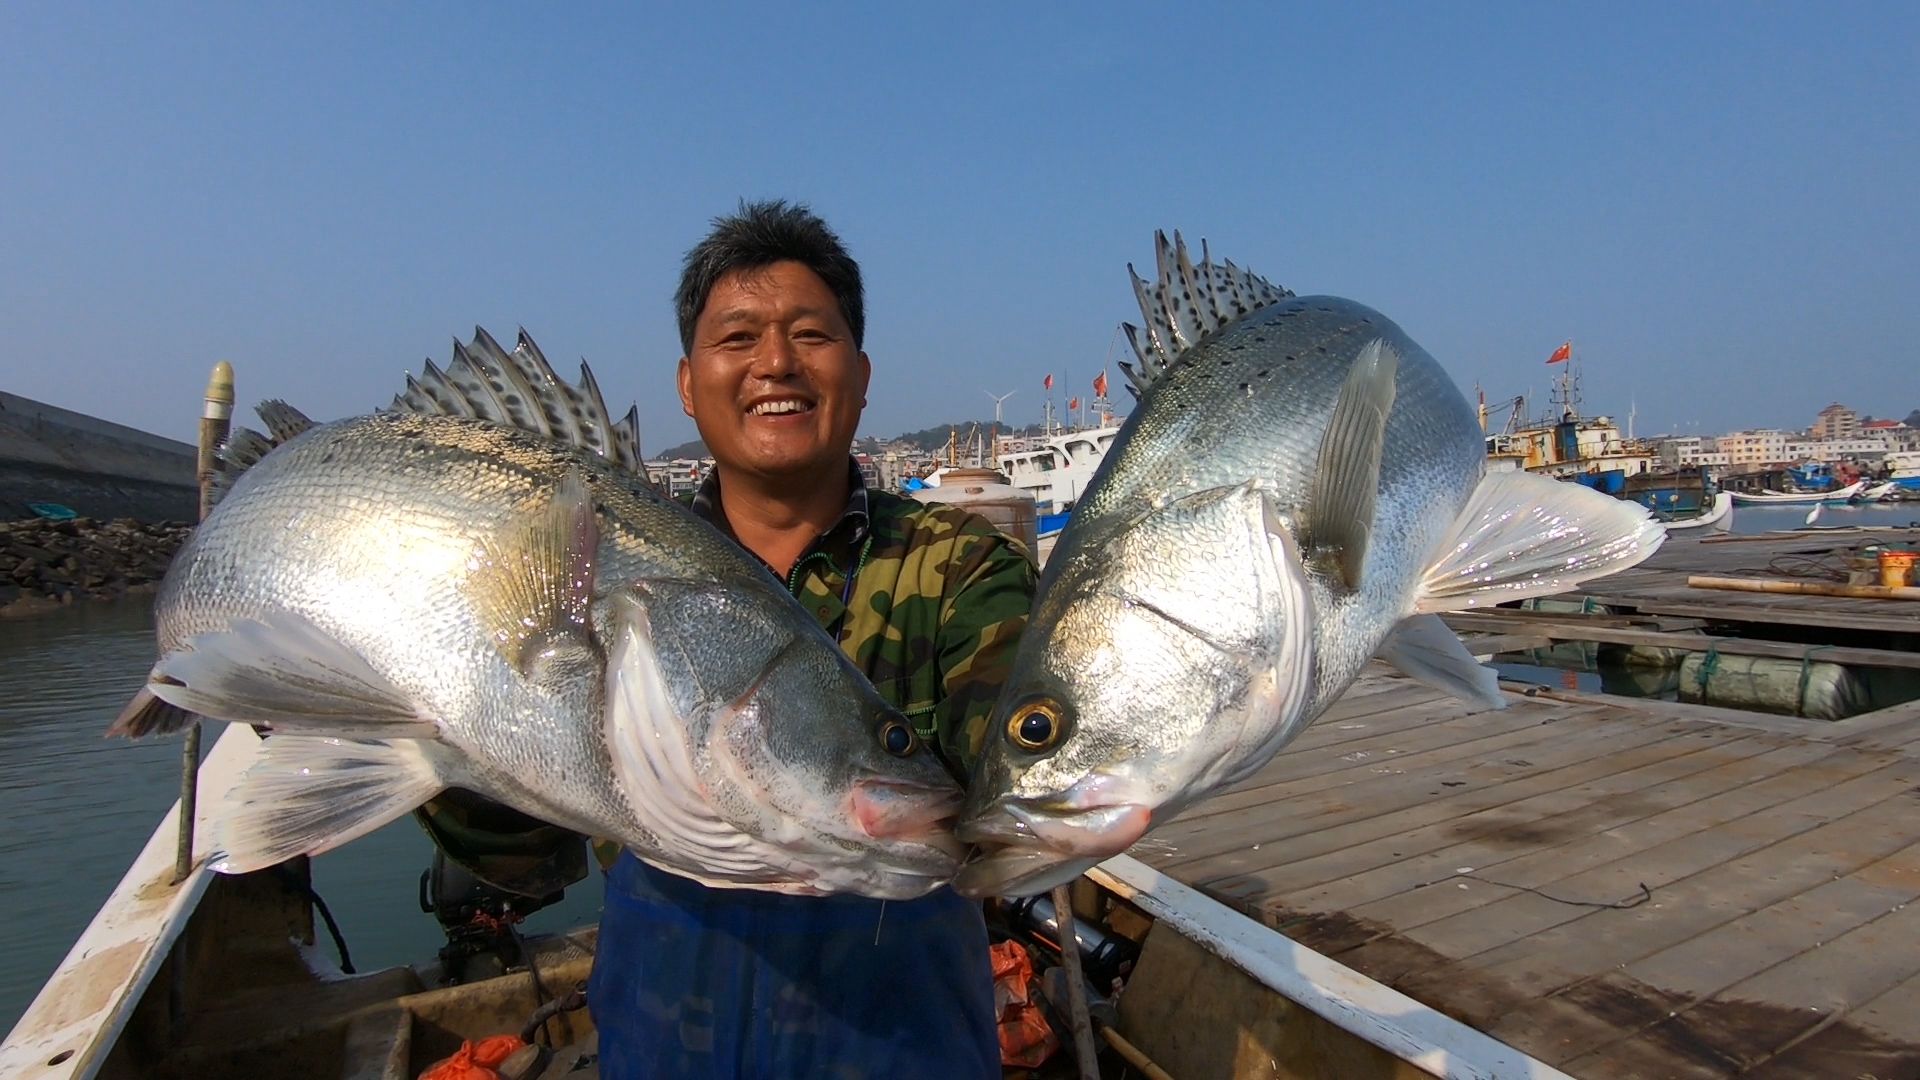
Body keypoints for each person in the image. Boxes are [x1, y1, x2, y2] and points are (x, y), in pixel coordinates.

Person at [571, 200, 1036, 1078]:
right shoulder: (602, 571)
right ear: (685, 381)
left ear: (861, 374)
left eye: (810, 335)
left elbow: (1017, 747)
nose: (775, 362)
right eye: (738, 337)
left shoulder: (960, 568)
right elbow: (514, 850)